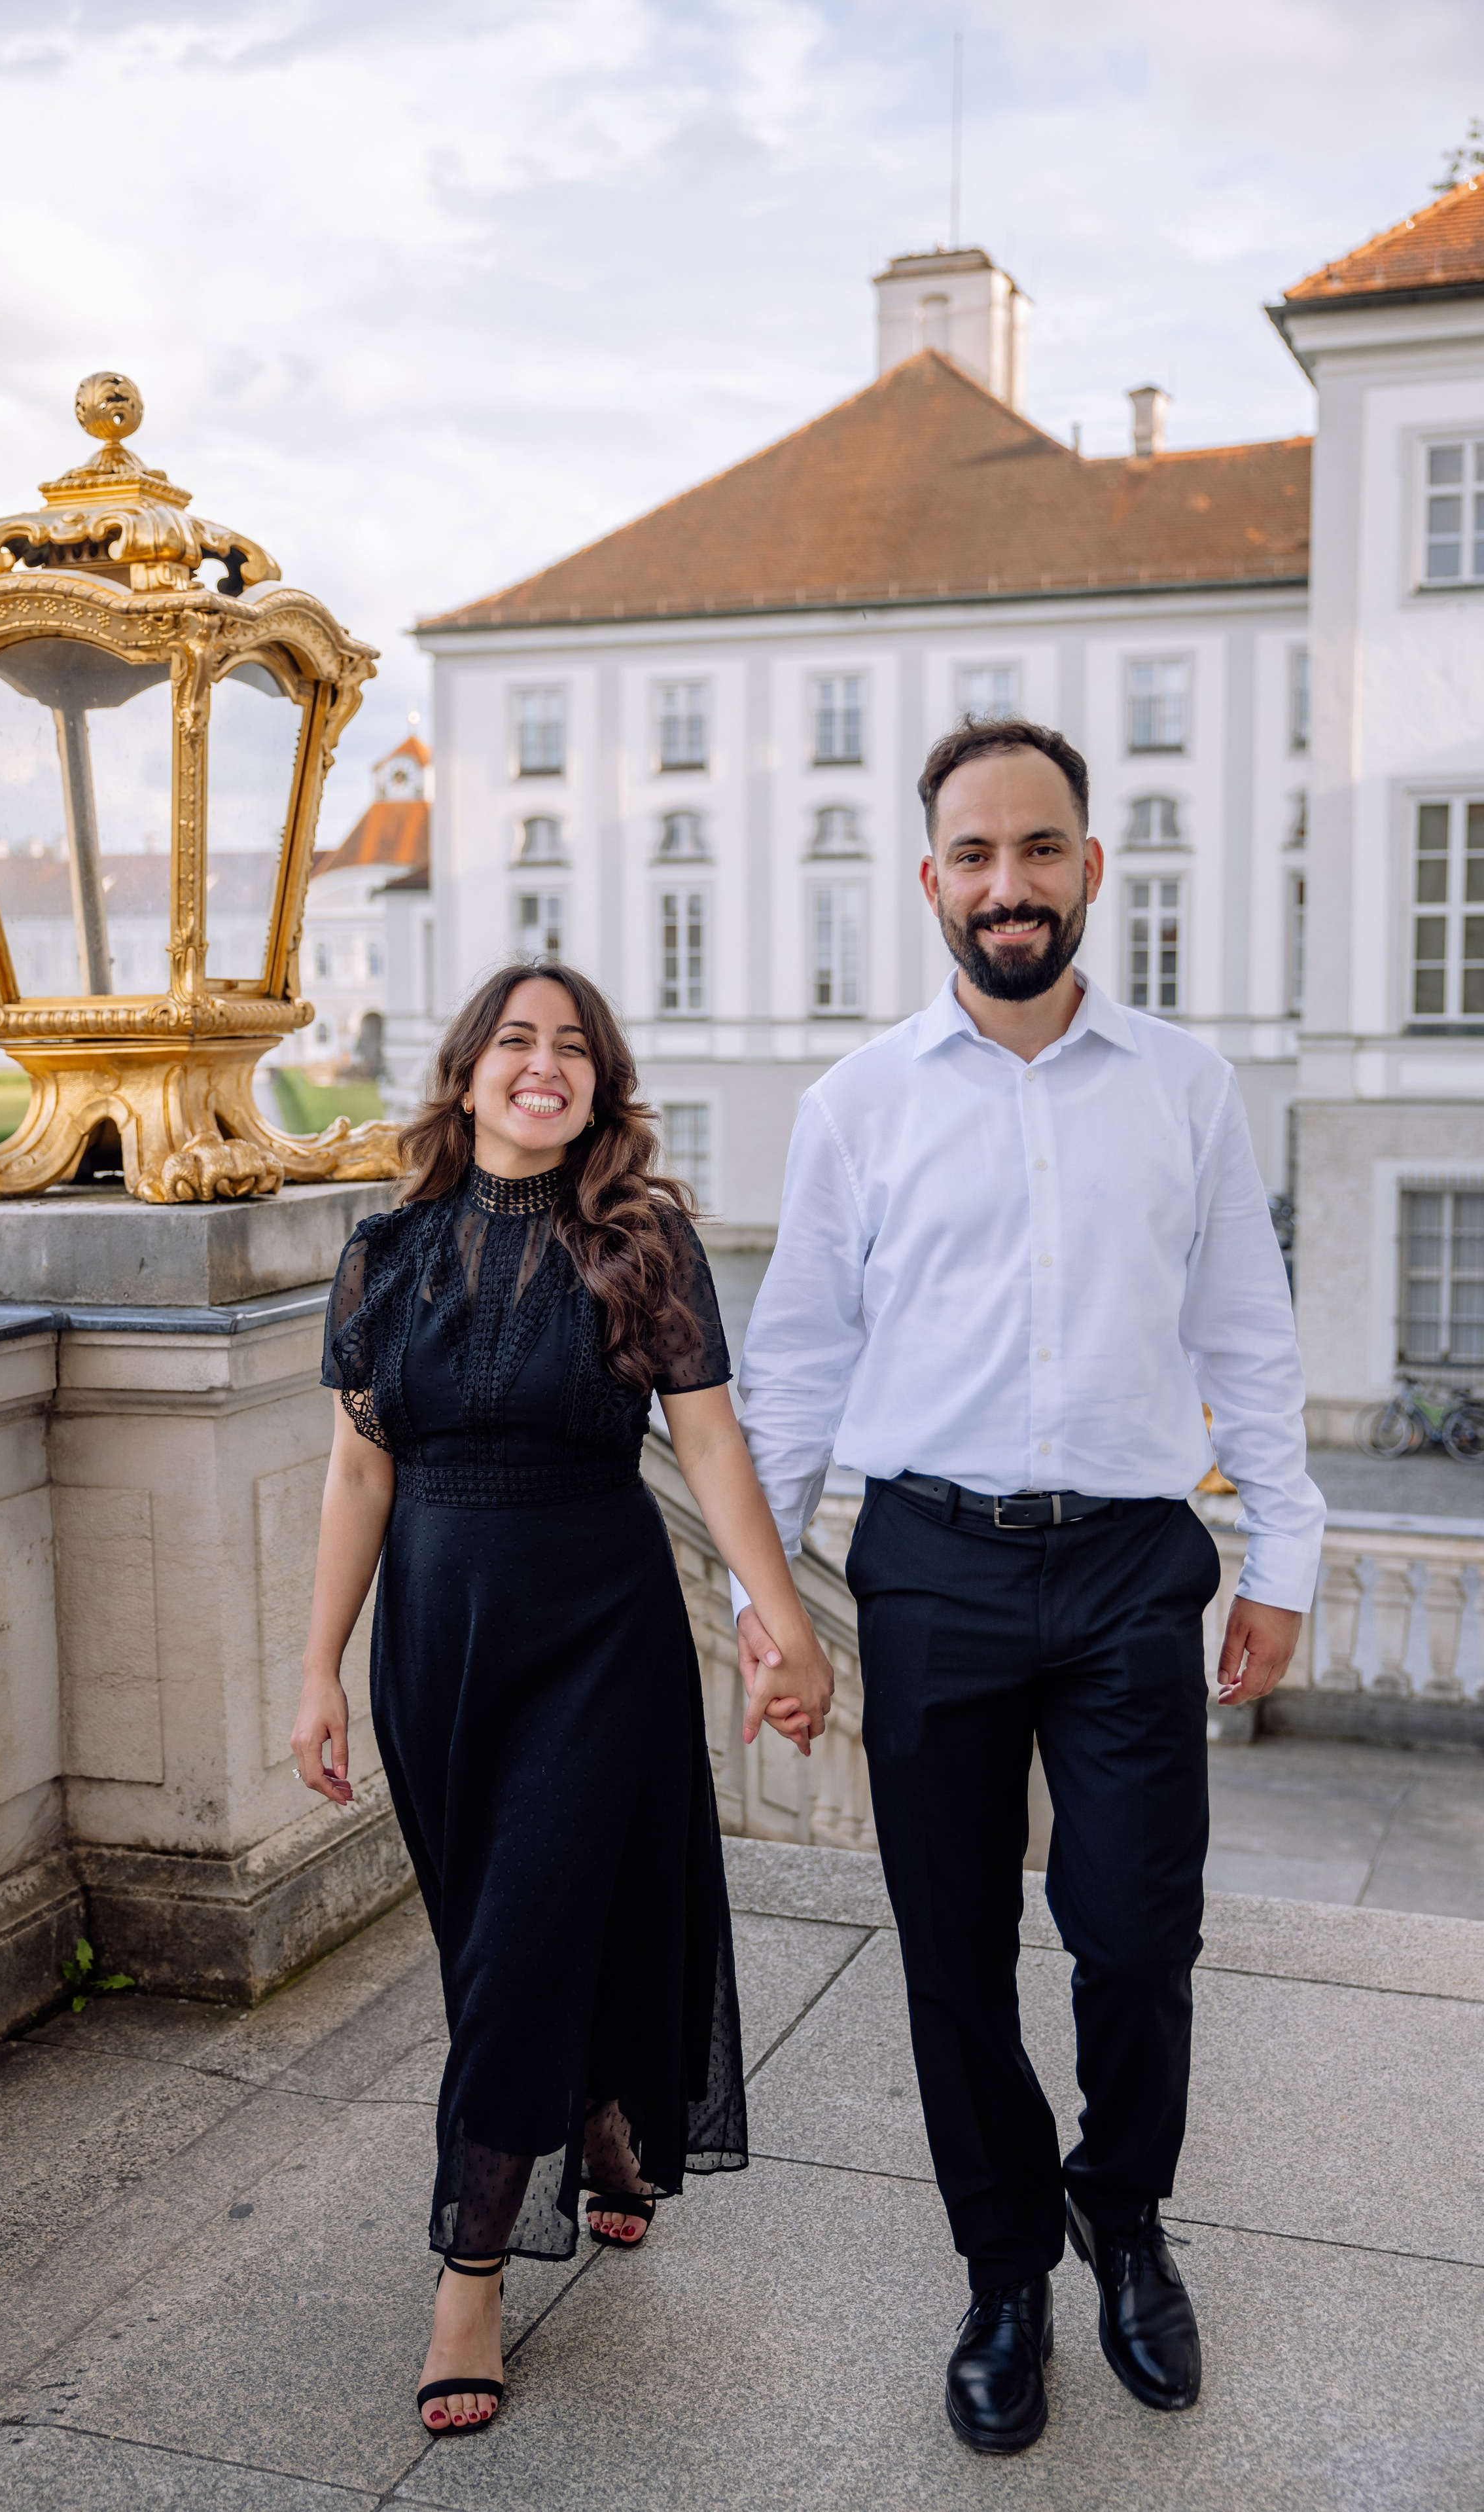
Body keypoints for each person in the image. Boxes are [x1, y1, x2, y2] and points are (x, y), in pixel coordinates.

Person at [733, 717, 1323, 2455]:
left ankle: (1122, 2217)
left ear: (1089, 866)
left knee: (1139, 1938)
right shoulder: (856, 1106)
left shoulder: (1187, 1086)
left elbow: (1251, 1343)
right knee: (950, 1953)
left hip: (1137, 1564)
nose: (1011, 882)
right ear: (931, 879)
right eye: (977, 855)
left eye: (1041, 849)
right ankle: (1005, 2268)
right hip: (931, 1567)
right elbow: (796, 1374)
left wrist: (1281, 1559)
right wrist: (775, 1611)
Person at [292, 960, 835, 2438]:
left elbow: (714, 1449)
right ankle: (600, 2122)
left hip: (599, 1637)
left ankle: (469, 2271)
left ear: (599, 1084)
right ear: (465, 1073)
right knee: (495, 1941)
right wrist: (317, 1668)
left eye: (574, 1048)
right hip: (438, 1650)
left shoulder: (639, 1241)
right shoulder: (384, 1251)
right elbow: (358, 1469)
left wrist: (782, 1626)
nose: (546, 1065)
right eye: (516, 1041)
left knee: (532, 1926)